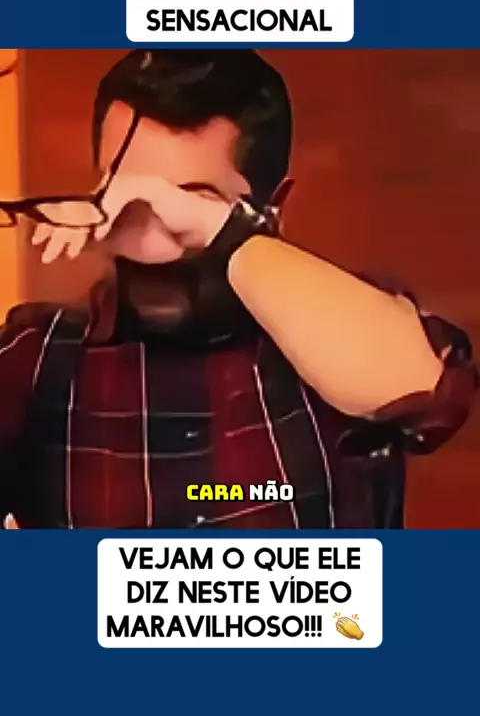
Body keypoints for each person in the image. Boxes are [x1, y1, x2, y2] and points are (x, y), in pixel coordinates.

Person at [0, 49, 477, 529]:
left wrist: (219, 231)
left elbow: (427, 392)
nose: (150, 242)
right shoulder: (36, 355)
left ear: (274, 208)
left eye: (193, 198)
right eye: (129, 199)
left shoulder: (340, 319)